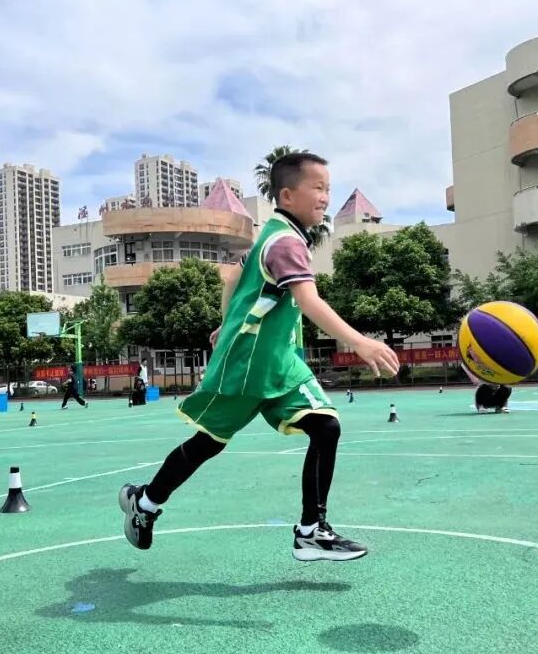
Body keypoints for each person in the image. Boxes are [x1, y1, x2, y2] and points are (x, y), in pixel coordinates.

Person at [117, 152, 400, 562]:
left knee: (326, 427)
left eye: (328, 189)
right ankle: (145, 504)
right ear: (287, 194)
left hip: (278, 362)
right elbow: (308, 299)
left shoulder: (274, 234)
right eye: (317, 188)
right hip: (246, 366)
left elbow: (235, 277)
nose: (325, 197)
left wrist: (227, 321)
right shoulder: (285, 241)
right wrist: (359, 341)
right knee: (207, 444)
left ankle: (311, 531)